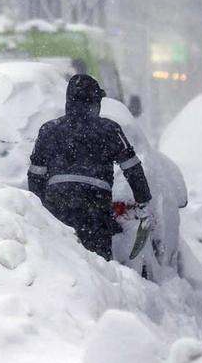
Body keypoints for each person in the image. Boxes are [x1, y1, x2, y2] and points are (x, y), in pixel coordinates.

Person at [28, 74, 152, 260]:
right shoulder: (109, 130)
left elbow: (36, 175)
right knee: (98, 264)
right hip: (95, 205)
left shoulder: (49, 130)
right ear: (95, 101)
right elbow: (132, 168)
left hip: (58, 203)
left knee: (60, 259)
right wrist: (143, 200)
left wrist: (38, 208)